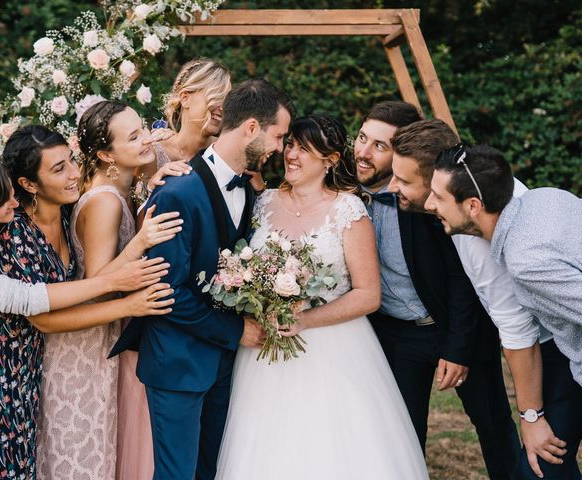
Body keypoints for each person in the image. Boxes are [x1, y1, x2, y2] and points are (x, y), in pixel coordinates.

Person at [0, 128, 172, 480]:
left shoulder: (67, 214)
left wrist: (153, 180)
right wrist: (127, 301)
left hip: (29, 372)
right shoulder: (12, 230)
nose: (72, 173)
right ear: (30, 184)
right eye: (58, 169)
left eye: (71, 160)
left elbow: (117, 175)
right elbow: (40, 315)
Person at [215, 115, 429, 479]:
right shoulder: (262, 202)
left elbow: (368, 295)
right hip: (263, 353)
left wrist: (303, 319)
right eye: (291, 145)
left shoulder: (348, 210)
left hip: (335, 350)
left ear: (330, 160)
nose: (292, 155)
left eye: (304, 149)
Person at [111, 78, 293, 479]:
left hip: (224, 366)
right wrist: (236, 331)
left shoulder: (248, 191)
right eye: (278, 136)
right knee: (177, 474)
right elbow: (165, 291)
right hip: (178, 362)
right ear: (250, 128)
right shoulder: (176, 192)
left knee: (212, 470)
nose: (280, 148)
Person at [356, 101, 521, 479]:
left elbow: (463, 279)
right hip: (395, 335)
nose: (364, 152)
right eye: (362, 138)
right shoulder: (347, 190)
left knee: (493, 423)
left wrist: (458, 348)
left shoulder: (433, 199)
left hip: (453, 327)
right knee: (401, 433)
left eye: (380, 146)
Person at [37, 100, 182, 480]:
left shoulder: (120, 189)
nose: (147, 139)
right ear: (104, 154)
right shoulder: (104, 202)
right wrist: (141, 242)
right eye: (133, 137)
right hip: (84, 349)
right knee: (85, 457)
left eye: (143, 129)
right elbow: (97, 285)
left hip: (103, 338)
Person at [426, 143, 582, 479]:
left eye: (438, 197)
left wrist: (530, 416)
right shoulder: (544, 197)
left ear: (473, 205)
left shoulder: (526, 261)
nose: (429, 204)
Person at [135, 58, 265, 219]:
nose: (223, 107)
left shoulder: (227, 153)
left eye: (228, 100)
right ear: (185, 98)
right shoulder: (152, 155)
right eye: (216, 96)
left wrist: (259, 188)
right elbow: (139, 228)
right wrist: (151, 189)